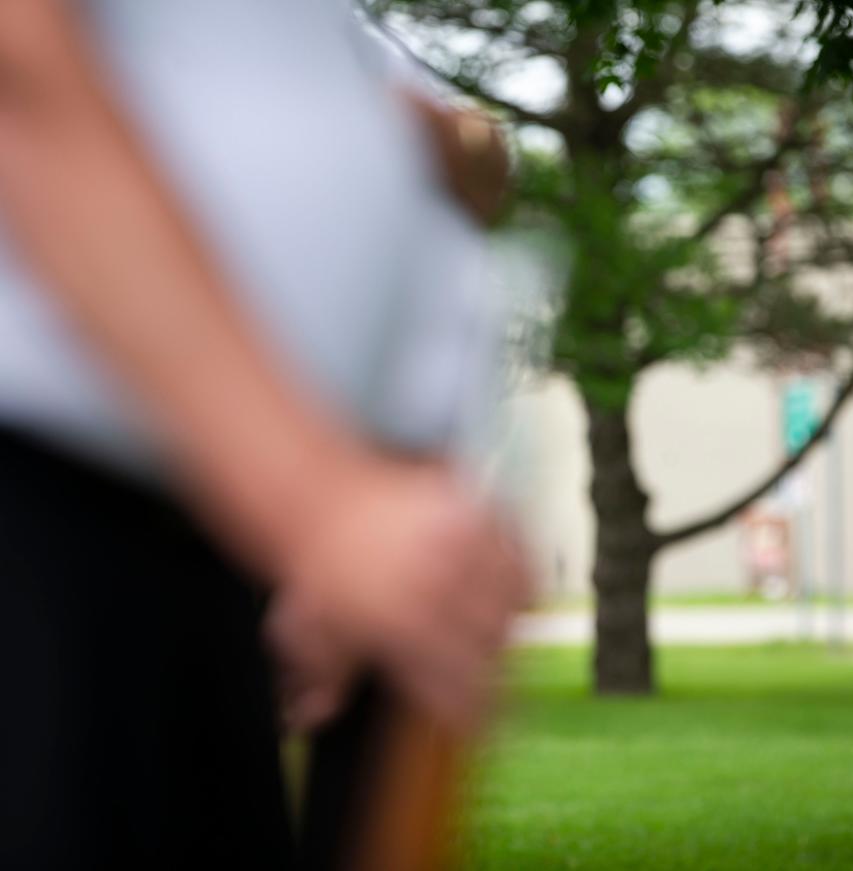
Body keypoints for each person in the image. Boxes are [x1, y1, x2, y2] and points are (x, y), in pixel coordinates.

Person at [0, 1, 528, 868]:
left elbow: (466, 152)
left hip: (211, 524)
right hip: (49, 505)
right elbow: (23, 74)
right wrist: (313, 501)